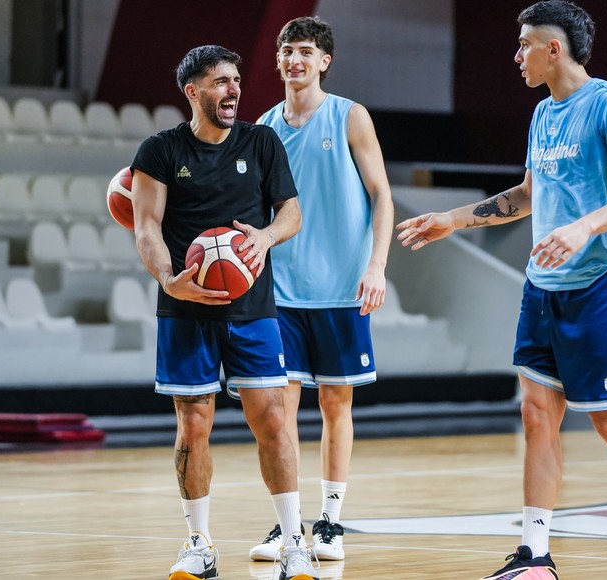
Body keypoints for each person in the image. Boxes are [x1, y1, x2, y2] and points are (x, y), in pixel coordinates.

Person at [396, 2, 607, 579]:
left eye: (523, 46)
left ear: (553, 49)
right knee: (537, 414)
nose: (516, 57)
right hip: (543, 289)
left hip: (600, 284)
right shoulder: (543, 114)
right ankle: (535, 555)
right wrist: (455, 219)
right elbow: (527, 195)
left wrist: (584, 226)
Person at [131, 45, 319, 580]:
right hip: (184, 308)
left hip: (253, 308)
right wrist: (172, 281)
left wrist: (265, 236)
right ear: (193, 92)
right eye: (220, 82)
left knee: (273, 421)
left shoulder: (261, 142)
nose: (233, 90)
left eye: (236, 80)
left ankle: (293, 544)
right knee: (193, 425)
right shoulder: (160, 150)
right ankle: (199, 545)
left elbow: (291, 212)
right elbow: (146, 228)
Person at [249, 16, 394, 563]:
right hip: (281, 290)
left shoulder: (350, 116)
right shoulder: (264, 127)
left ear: (324, 61)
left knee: (336, 403)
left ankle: (330, 520)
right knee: (277, 411)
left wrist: (376, 266)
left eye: (305, 51)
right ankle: (287, 524)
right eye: (287, 51)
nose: (294, 60)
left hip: (340, 288)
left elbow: (382, 196)